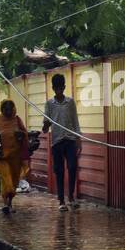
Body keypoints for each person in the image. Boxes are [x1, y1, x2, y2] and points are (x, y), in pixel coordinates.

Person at [42, 73, 81, 212]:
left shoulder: (70, 102)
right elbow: (45, 129)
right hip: (57, 142)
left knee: (72, 167)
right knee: (59, 171)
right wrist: (46, 124)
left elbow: (75, 121)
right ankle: (61, 200)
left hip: (70, 140)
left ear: (64, 87)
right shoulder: (48, 104)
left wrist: (78, 140)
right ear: (53, 88)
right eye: (56, 88)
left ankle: (71, 197)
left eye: (61, 87)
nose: (59, 90)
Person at [0, 100, 28, 215]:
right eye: (6, 109)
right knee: (6, 180)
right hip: (1, 158)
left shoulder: (17, 120)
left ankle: (9, 203)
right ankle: (6, 203)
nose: (8, 112)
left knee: (14, 180)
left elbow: (24, 134)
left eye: (10, 109)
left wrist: (20, 135)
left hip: (15, 157)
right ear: (2, 109)